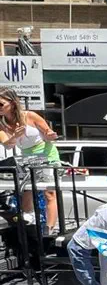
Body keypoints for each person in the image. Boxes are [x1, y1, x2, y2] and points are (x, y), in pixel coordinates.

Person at [0, 86, 61, 232]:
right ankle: (29, 226)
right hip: (27, 159)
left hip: (46, 155)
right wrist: (15, 136)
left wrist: (50, 135)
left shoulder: (30, 116)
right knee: (27, 192)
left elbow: (48, 133)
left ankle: (49, 229)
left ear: (12, 103)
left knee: (49, 193)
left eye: (1, 104)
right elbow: (7, 145)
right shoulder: (2, 124)